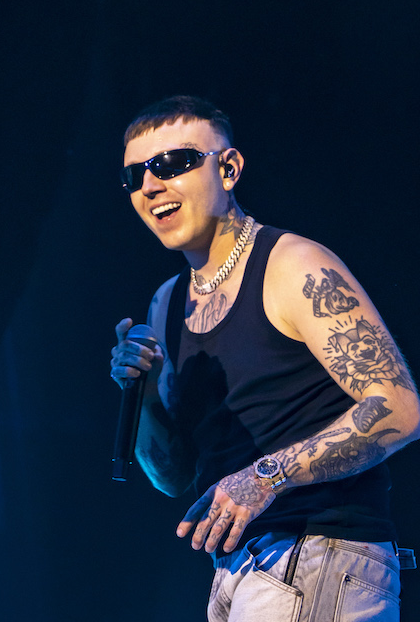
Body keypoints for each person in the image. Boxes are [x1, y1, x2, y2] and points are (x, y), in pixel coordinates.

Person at [110, 95, 419, 621]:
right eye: (135, 175)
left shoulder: (294, 266)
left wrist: (265, 477)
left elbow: (400, 408)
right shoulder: (166, 304)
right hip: (236, 568)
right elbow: (174, 475)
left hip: (321, 547)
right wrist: (142, 394)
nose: (151, 185)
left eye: (172, 163)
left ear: (228, 169)